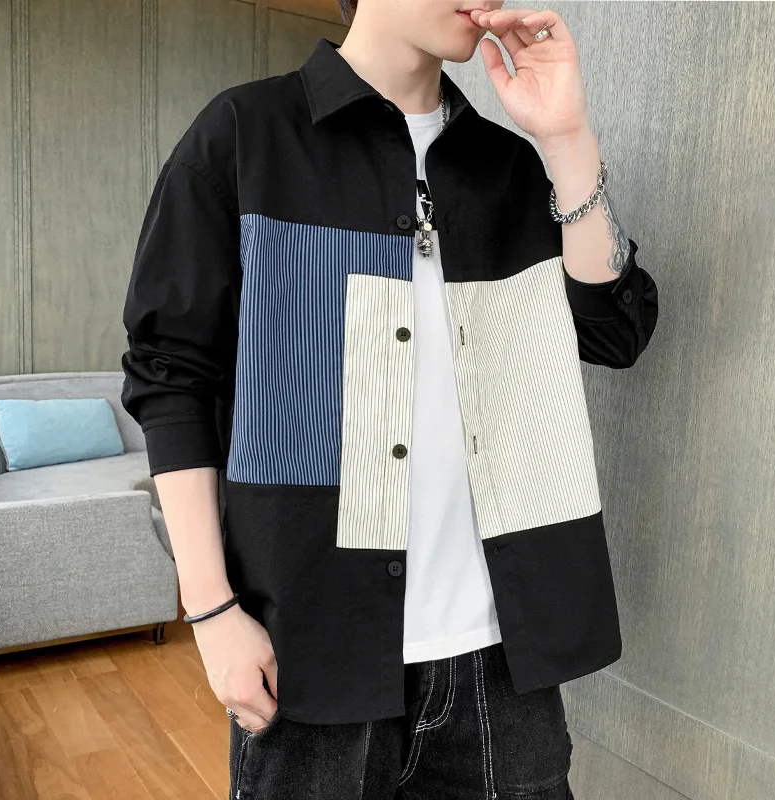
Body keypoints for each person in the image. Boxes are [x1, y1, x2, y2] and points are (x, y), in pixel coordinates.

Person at [120, 1, 658, 797]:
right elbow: (171, 377)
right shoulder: (245, 136)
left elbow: (615, 331)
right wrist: (211, 611)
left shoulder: (509, 168)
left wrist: (569, 139)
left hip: (501, 663)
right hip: (310, 653)